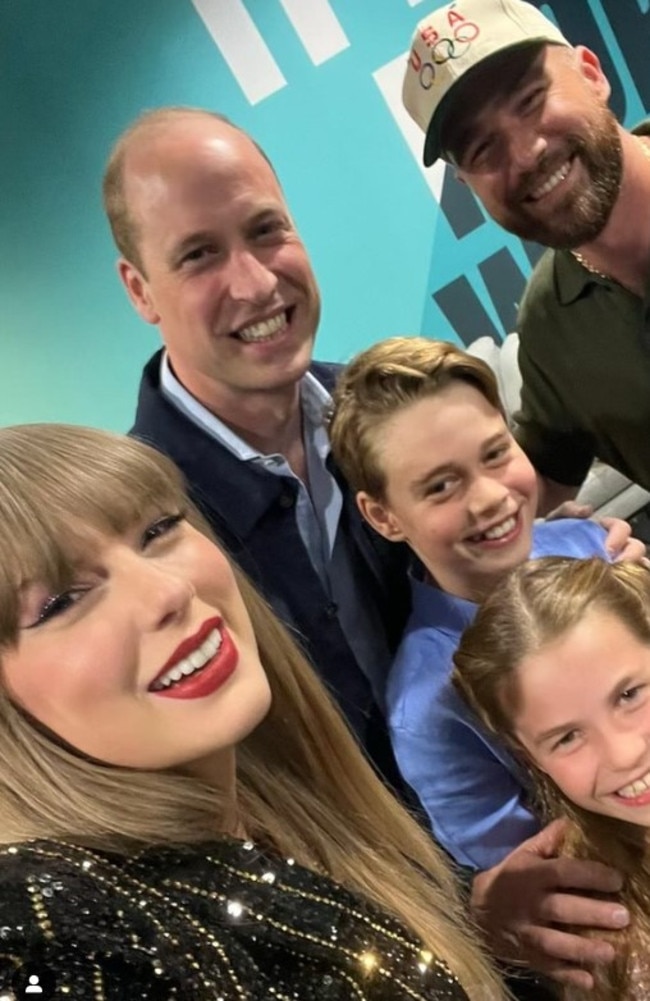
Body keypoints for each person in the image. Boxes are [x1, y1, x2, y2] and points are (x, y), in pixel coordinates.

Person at [0, 422, 505, 1001]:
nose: (168, 592)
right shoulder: (49, 938)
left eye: (159, 530)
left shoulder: (280, 812)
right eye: (63, 600)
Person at [102, 107, 410, 778]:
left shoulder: (395, 412)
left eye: (265, 230)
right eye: (198, 254)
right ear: (140, 290)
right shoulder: (127, 531)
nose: (256, 282)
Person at [328, 336, 631, 991]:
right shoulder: (428, 707)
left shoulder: (586, 542)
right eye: (441, 485)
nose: (491, 497)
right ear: (383, 515)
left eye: (496, 454)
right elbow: (553, 893)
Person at [402, 0, 650, 513]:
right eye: (482, 149)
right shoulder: (549, 326)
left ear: (591, 73)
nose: (524, 154)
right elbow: (535, 485)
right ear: (467, 185)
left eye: (531, 100)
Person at [453, 556, 650, 999]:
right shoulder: (590, 924)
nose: (625, 753)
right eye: (567, 738)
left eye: (629, 694)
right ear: (530, 757)